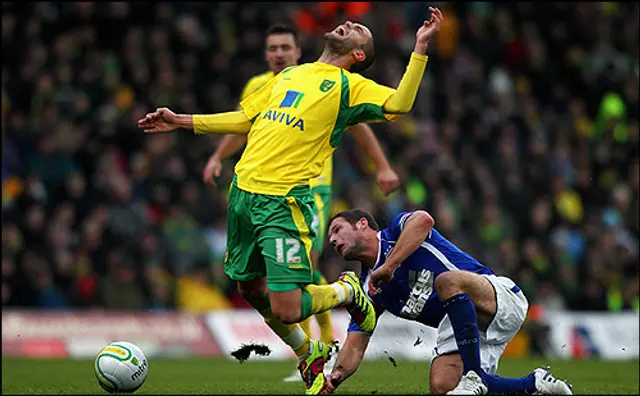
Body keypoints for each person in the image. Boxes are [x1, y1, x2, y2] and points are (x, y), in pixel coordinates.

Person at [138, 8, 443, 394]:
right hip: (242, 195)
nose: (348, 23)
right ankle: (309, 350)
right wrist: (182, 120)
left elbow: (400, 104)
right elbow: (245, 117)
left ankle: (349, 291)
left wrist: (419, 48)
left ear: (359, 55)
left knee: (286, 307)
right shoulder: (289, 76)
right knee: (249, 289)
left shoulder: (350, 85)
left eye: (358, 29)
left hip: (282, 202)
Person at [200, 23, 401, 383]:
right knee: (253, 285)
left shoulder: (335, 85)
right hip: (251, 190)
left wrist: (382, 164)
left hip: (305, 190)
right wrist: (216, 155)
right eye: (272, 47)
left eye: (285, 47)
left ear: (296, 51)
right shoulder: (264, 84)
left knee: (301, 273)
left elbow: (359, 122)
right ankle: (309, 350)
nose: (278, 53)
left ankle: (326, 338)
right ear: (266, 54)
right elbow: (242, 124)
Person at [322, 208, 574, 395]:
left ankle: (474, 375)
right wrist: (334, 377)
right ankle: (533, 384)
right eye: (330, 236)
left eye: (337, 230)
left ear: (363, 224)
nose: (332, 240)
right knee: (442, 387)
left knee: (446, 281)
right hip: (460, 327)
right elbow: (355, 344)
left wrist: (390, 265)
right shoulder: (370, 290)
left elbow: (424, 220)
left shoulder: (396, 231)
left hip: (498, 298)